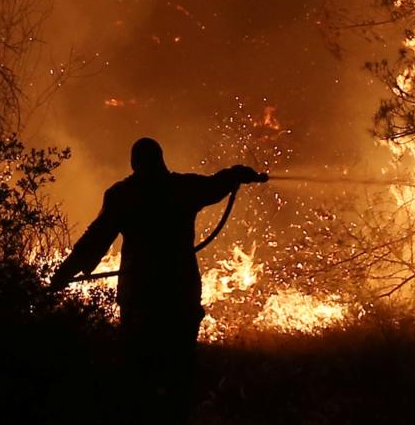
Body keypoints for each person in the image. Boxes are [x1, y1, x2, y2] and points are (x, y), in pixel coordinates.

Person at [48, 137, 266, 423]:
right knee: (179, 374)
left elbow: (95, 239)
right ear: (161, 160)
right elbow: (216, 184)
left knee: (140, 375)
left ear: (134, 164)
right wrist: (238, 174)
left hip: (142, 296)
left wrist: (62, 275)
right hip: (180, 293)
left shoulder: (124, 195)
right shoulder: (182, 188)